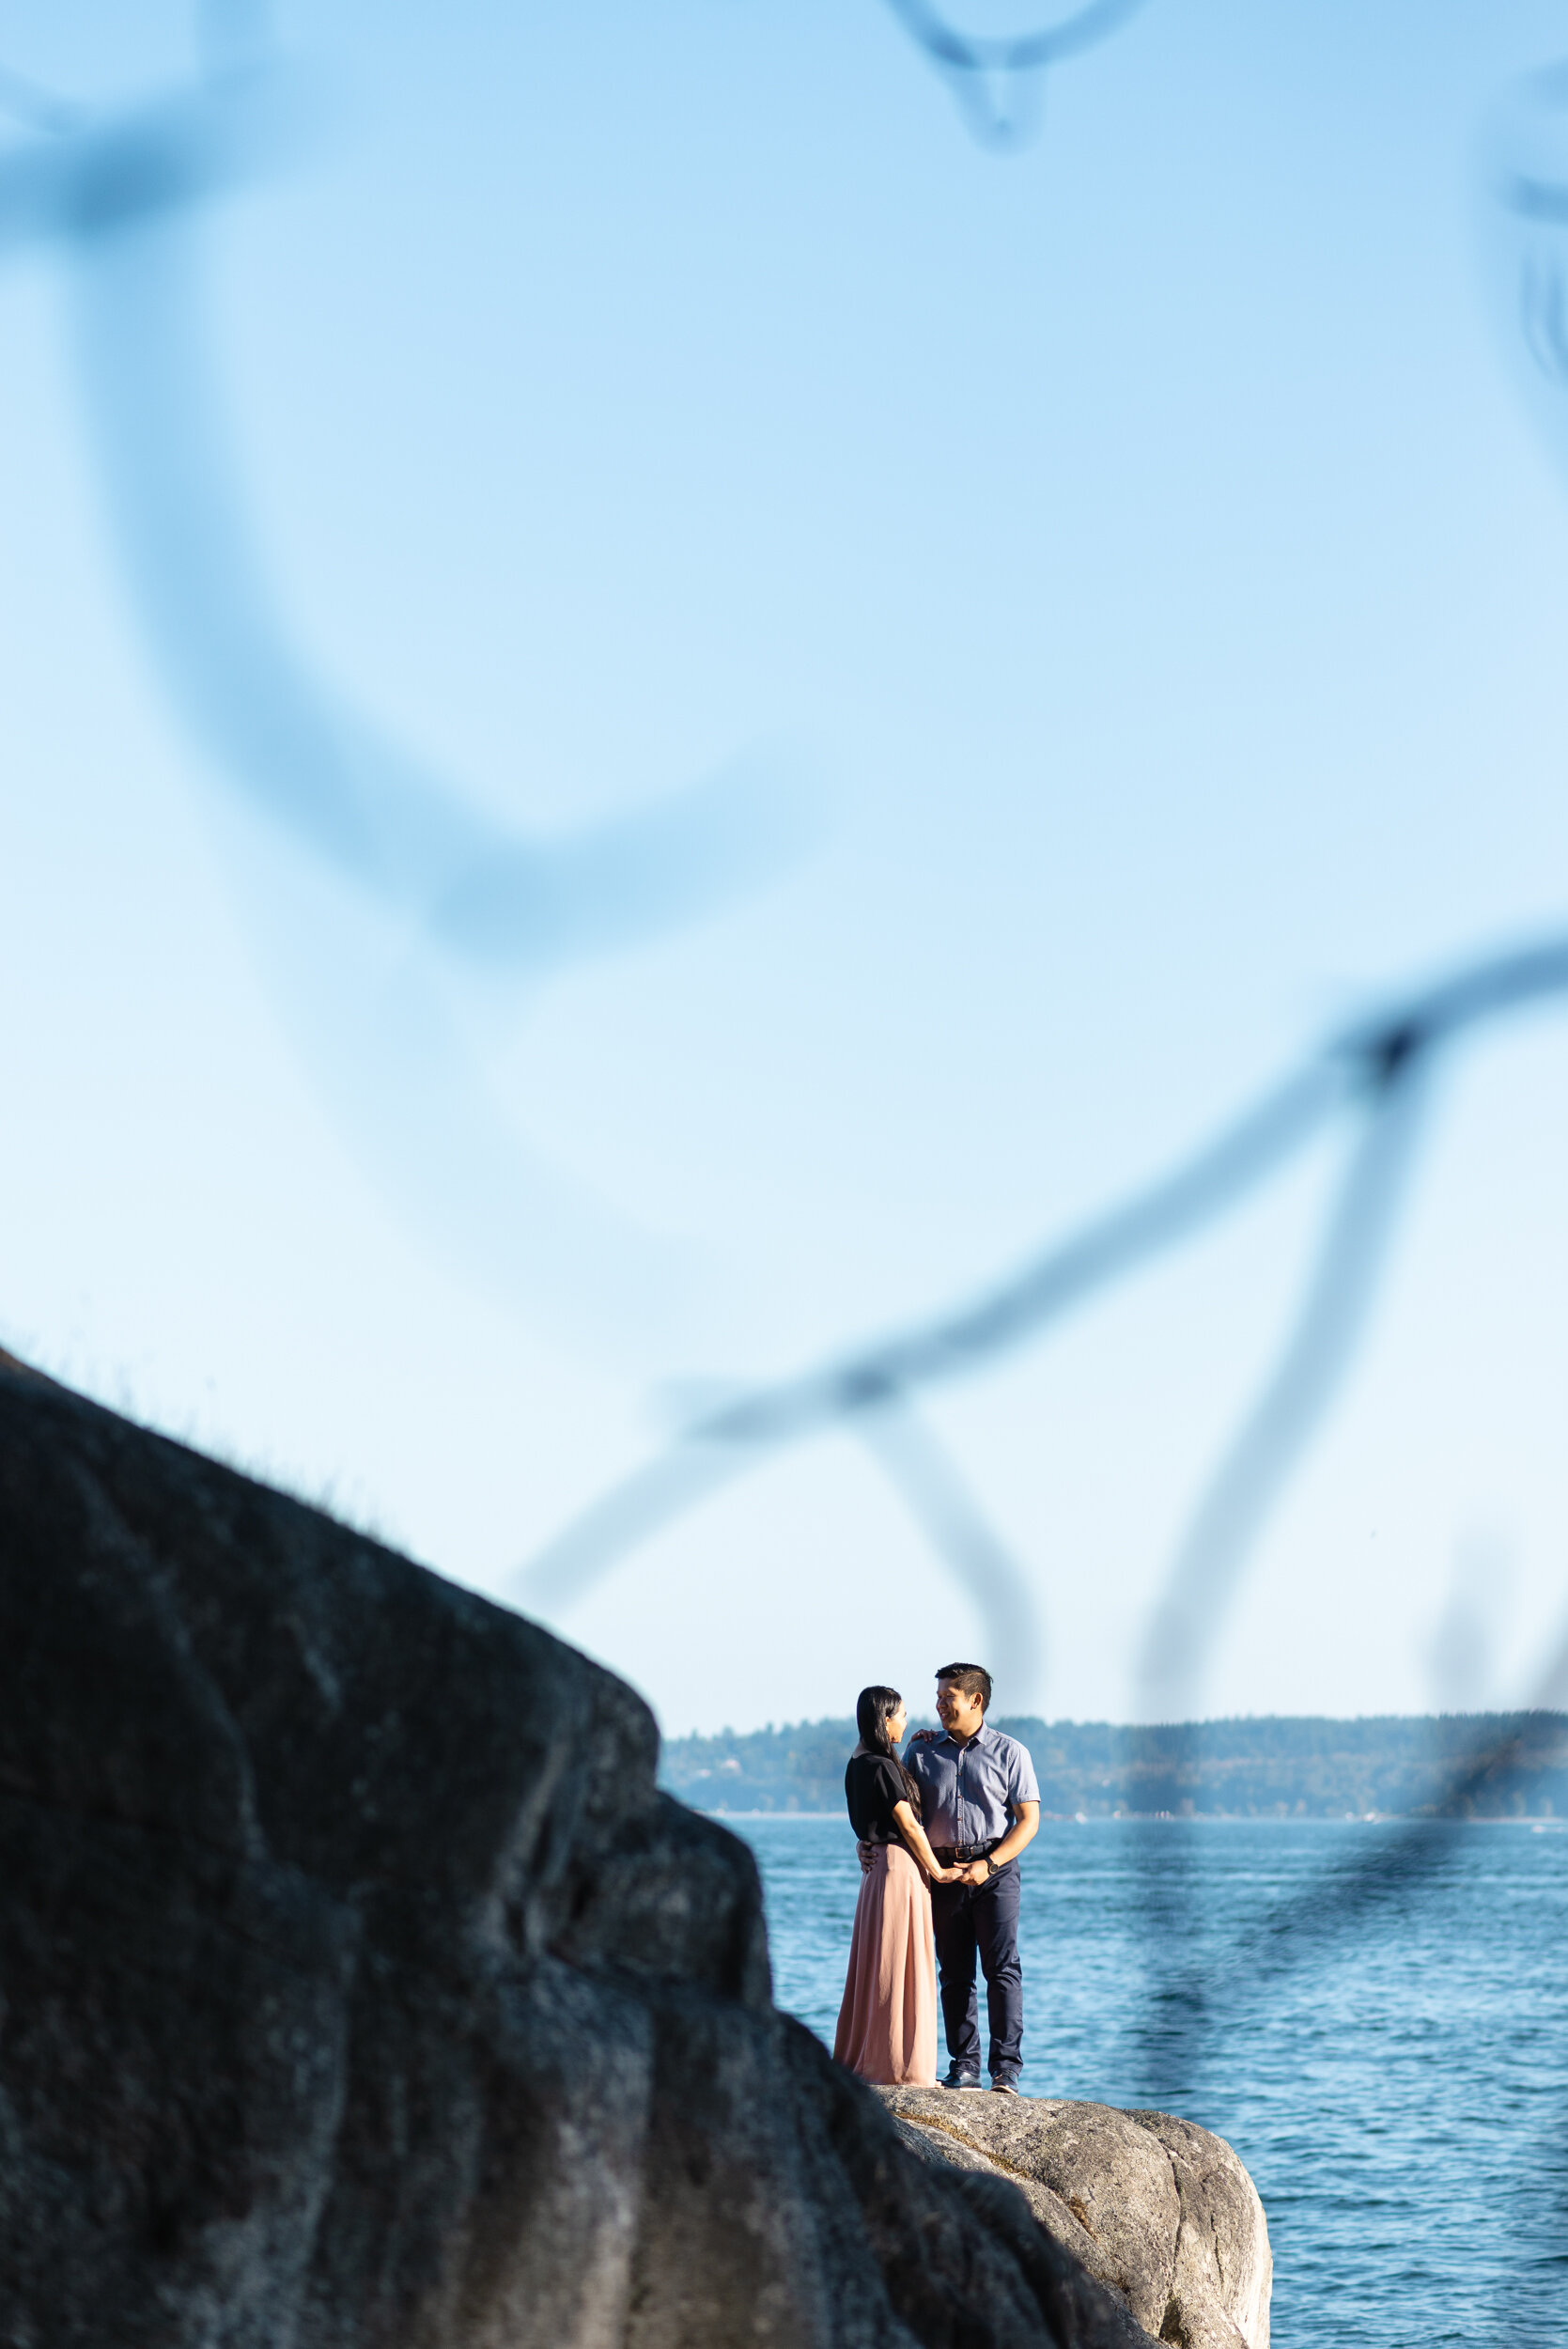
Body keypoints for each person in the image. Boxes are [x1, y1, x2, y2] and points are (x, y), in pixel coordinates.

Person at [904, 1661, 1040, 2094]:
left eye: (948, 1697)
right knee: (955, 1974)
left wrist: (989, 1864)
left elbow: (1028, 1821)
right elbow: (900, 1812)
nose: (939, 1704)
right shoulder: (921, 1752)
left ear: (975, 1700)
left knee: (1001, 1970)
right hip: (941, 1874)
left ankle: (1006, 2072)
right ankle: (964, 2067)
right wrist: (866, 1842)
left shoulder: (1011, 1753)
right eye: (939, 1697)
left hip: (994, 1872)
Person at [833, 1685, 960, 2086]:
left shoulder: (857, 1763)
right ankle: (901, 2066)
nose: (907, 1721)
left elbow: (867, 1819)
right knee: (900, 1967)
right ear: (885, 1719)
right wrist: (937, 1872)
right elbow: (908, 1824)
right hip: (899, 1870)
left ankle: (870, 2057)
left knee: (876, 1967)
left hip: (875, 1879)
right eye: (902, 1715)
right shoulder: (882, 1766)